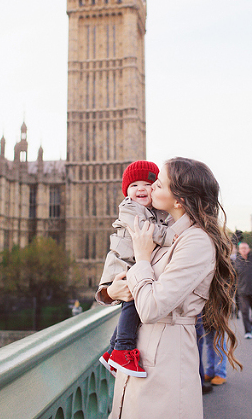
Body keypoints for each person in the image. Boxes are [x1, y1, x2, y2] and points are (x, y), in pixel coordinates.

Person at [98, 157, 241, 419]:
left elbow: (151, 306)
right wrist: (111, 291)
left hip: (165, 361)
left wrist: (142, 257)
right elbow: (136, 284)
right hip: (141, 355)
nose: (149, 189)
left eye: (157, 184)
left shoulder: (195, 241)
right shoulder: (162, 231)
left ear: (178, 200)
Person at [96, 161, 173, 378]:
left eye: (148, 184)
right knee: (132, 305)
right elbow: (148, 231)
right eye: (134, 185)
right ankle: (122, 349)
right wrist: (171, 237)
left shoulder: (156, 211)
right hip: (124, 265)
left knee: (131, 306)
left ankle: (112, 351)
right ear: (126, 192)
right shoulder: (130, 208)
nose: (141, 188)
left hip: (133, 265)